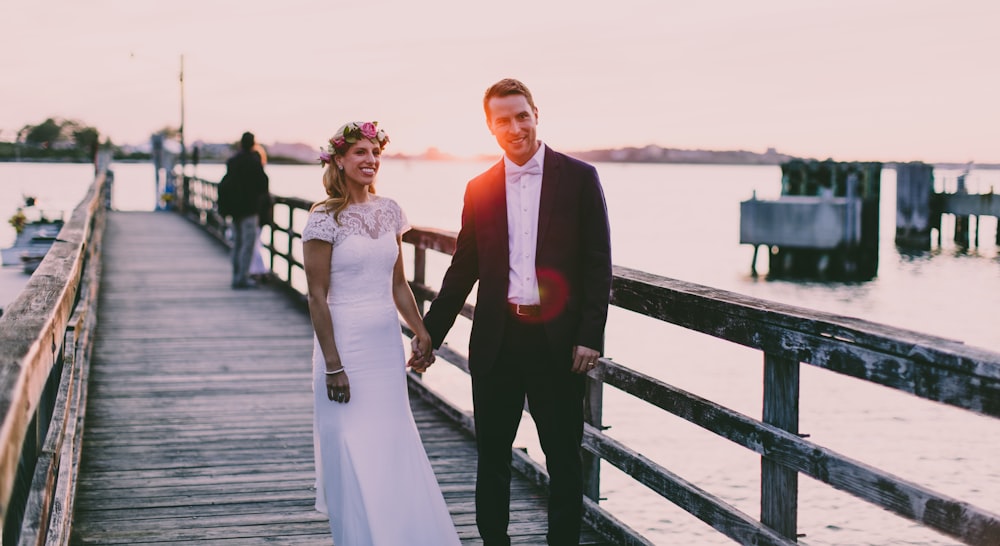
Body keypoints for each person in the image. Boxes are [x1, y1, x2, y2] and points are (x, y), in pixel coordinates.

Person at [416, 78, 613, 546]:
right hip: (497, 343)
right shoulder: (479, 188)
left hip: (560, 345)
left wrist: (591, 335)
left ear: (536, 114)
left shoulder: (580, 178)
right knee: (493, 459)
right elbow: (462, 270)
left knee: (564, 459)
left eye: (521, 115)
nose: (515, 127)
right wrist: (429, 336)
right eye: (503, 120)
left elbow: (597, 263)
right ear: (490, 127)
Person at [301, 121, 461, 546]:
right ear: (339, 159)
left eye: (375, 153)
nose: (370, 160)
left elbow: (398, 285)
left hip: (384, 346)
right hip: (343, 346)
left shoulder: (390, 210)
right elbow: (317, 297)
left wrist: (422, 331)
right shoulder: (323, 218)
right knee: (352, 445)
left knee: (390, 442)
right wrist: (334, 365)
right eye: (360, 153)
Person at [219, 131, 269, 289]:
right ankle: (242, 278)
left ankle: (236, 276)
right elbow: (263, 184)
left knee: (237, 243)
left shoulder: (233, 161)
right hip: (250, 209)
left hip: (234, 210)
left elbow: (225, 184)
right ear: (253, 143)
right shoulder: (254, 161)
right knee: (248, 245)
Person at [248, 142, 271, 284]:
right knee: (257, 242)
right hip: (261, 214)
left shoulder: (251, 175)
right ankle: (260, 270)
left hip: (253, 213)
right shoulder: (262, 175)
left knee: (254, 243)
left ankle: (258, 270)